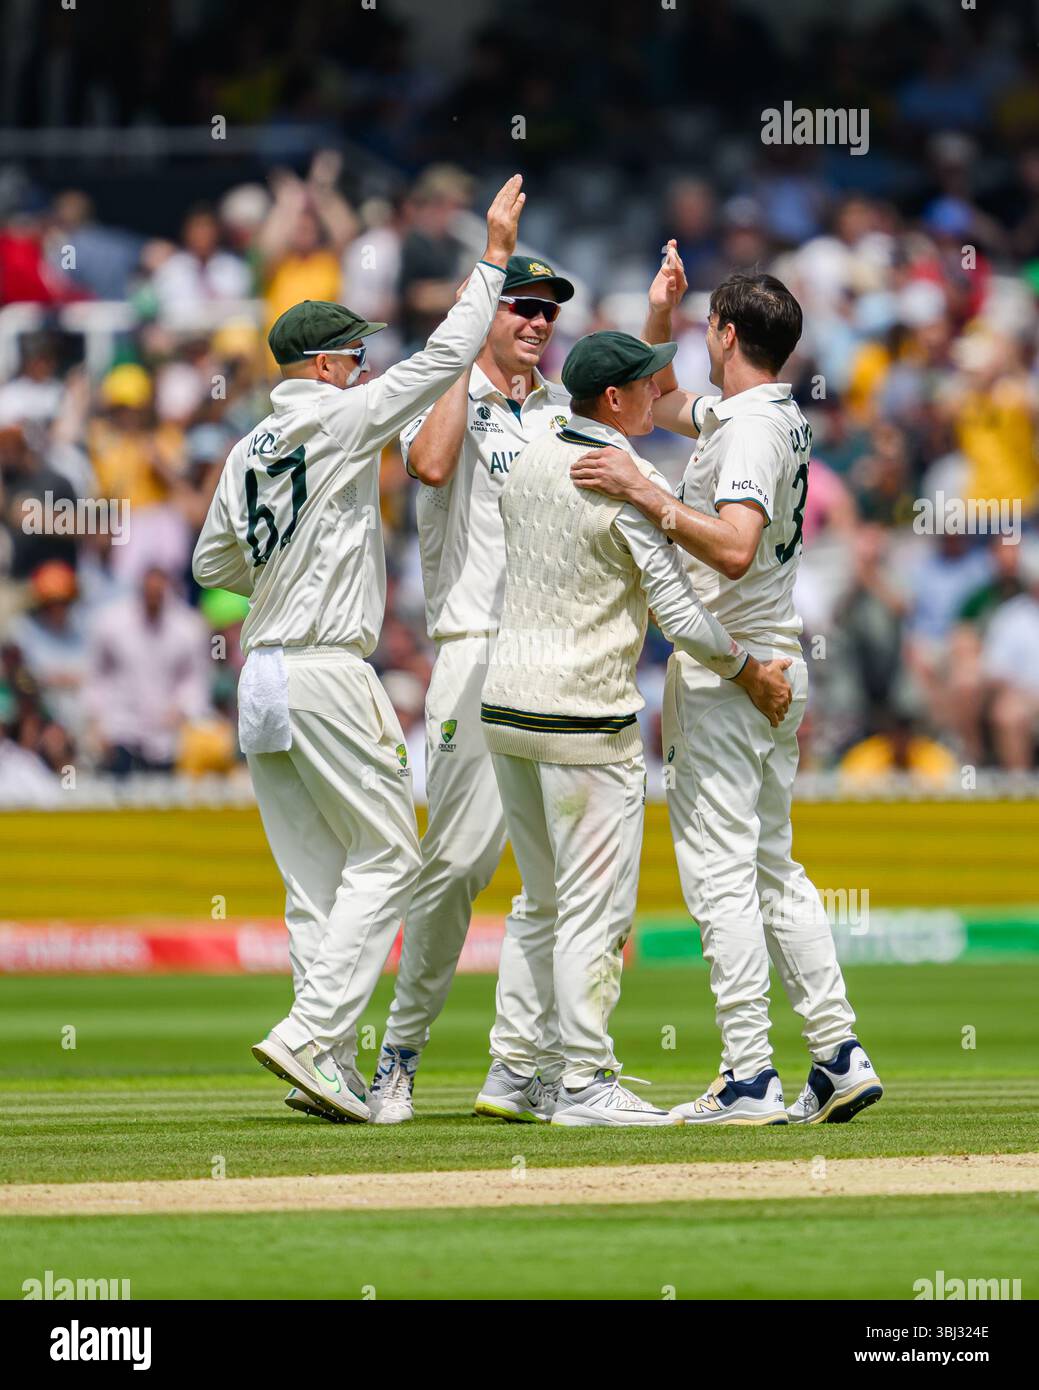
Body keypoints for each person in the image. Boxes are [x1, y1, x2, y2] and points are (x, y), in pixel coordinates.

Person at [191, 175, 527, 1125]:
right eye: (356, 357)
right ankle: (308, 1033)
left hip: (260, 675)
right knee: (390, 859)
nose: (364, 369)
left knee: (316, 884)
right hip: (330, 668)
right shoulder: (342, 420)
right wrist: (493, 253)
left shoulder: (246, 447)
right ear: (333, 368)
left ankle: (328, 1062)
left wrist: (282, 576)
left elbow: (211, 557)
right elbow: (449, 356)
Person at [570, 246, 883, 1125]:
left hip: (732, 670)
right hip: (772, 657)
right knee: (773, 868)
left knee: (719, 875)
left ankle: (749, 1073)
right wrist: (659, 309)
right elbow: (658, 400)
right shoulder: (763, 412)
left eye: (705, 325)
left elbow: (735, 543)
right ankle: (835, 1050)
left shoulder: (745, 430)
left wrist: (647, 493)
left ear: (729, 331)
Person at [477, 330, 792, 1127]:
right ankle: (583, 1082)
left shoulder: (527, 448)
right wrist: (747, 668)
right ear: (613, 401)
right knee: (594, 908)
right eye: (647, 387)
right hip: (583, 715)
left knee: (540, 901)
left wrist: (659, 313)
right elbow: (681, 615)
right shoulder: (626, 478)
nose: (662, 395)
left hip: (506, 704)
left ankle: (517, 1072)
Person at [369, 254, 575, 1125]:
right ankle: (398, 1057)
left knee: (559, 877)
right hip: (475, 651)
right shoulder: (447, 390)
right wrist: (461, 349)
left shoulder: (561, 408)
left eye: (547, 313)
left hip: (559, 658)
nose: (536, 323)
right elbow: (427, 466)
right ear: (485, 310)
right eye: (520, 307)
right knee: (455, 864)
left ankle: (522, 1065)